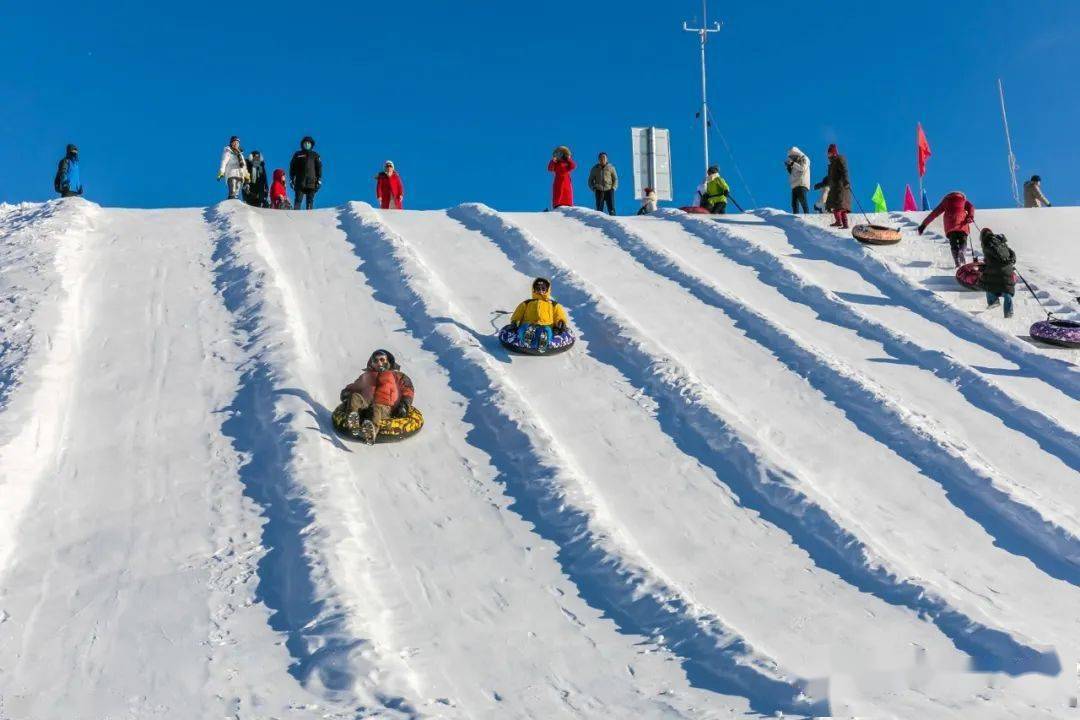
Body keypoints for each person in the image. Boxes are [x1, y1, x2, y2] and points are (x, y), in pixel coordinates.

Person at [340, 349, 416, 444]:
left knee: (376, 407)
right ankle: (352, 422)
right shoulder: (367, 375)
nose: (379, 362)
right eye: (375, 360)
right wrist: (347, 392)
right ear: (372, 363)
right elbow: (356, 386)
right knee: (355, 396)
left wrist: (404, 405)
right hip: (365, 405)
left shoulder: (396, 375)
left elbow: (408, 389)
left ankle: (370, 433)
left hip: (385, 408)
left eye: (382, 359)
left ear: (387, 361)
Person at [508, 277, 570, 352]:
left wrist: (561, 322)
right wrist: (515, 322)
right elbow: (518, 313)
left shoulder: (553, 304)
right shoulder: (527, 303)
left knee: (546, 330)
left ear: (547, 290)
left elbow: (559, 315)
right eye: (538, 288)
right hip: (529, 324)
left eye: (543, 289)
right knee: (524, 327)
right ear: (534, 290)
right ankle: (526, 338)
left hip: (546, 325)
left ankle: (543, 342)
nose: (540, 291)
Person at [917, 191, 975, 267]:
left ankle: (957, 261)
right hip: (962, 224)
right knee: (963, 241)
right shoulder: (963, 200)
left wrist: (923, 225)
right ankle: (962, 251)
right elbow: (971, 207)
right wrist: (970, 216)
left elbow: (934, 214)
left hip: (950, 225)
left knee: (953, 243)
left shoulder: (945, 201)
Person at [979, 228, 1016, 318]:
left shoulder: (987, 243)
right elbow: (1011, 254)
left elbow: (994, 256)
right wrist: (1009, 262)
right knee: (1007, 290)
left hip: (997, 268)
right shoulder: (1001, 242)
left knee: (985, 282)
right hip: (1008, 269)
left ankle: (993, 301)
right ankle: (1009, 313)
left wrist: (985, 265)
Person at [814, 144, 853, 229]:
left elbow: (844, 170)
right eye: (828, 154)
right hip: (835, 188)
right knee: (835, 206)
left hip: (841, 187)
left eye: (830, 153)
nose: (828, 155)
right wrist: (821, 184)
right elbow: (829, 178)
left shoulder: (839, 159)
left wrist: (846, 181)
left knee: (840, 206)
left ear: (834, 153)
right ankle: (839, 222)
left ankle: (843, 224)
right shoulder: (832, 164)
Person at [289, 135, 322, 209]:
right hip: (299, 182)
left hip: (311, 182)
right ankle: (295, 215)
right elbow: (292, 167)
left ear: (311, 144)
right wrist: (291, 179)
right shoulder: (297, 154)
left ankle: (309, 216)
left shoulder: (315, 155)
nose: (307, 144)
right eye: (305, 143)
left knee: (310, 201)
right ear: (302, 144)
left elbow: (319, 168)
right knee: (298, 200)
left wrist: (319, 180)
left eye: (308, 143)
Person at [785, 147, 811, 214]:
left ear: (796, 154)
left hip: (801, 184)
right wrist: (789, 167)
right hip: (795, 185)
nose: (791, 158)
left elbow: (802, 168)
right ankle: (795, 217)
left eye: (792, 156)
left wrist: (793, 164)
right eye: (790, 157)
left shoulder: (804, 159)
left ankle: (807, 216)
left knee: (803, 201)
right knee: (794, 203)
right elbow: (793, 173)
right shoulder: (795, 162)